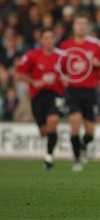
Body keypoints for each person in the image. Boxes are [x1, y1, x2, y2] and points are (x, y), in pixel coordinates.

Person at [59, 14, 100, 171]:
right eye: (78, 24)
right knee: (75, 121)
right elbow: (59, 66)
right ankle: (77, 159)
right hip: (72, 90)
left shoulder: (95, 45)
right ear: (74, 27)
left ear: (87, 27)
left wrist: (97, 63)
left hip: (90, 90)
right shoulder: (65, 46)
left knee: (90, 132)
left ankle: (82, 146)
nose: (80, 27)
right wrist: (63, 79)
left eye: (83, 24)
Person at [15, 29, 64, 170]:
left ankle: (49, 158)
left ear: (54, 40)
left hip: (55, 95)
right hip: (38, 96)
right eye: (46, 38)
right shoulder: (32, 56)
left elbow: (71, 73)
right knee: (44, 131)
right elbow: (18, 74)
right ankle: (49, 143)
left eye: (51, 38)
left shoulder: (61, 57)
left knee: (53, 121)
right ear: (41, 41)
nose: (49, 41)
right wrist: (33, 82)